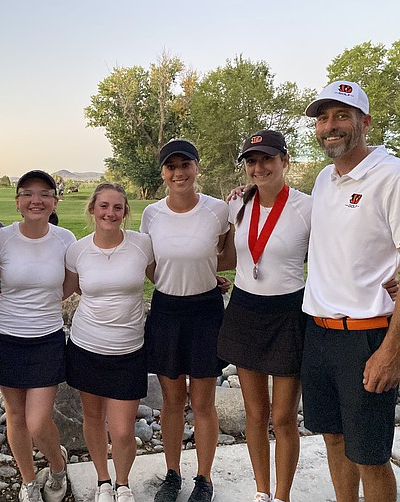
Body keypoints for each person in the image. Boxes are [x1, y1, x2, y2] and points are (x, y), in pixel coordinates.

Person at [301, 81, 400, 502]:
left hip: (368, 337)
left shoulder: (397, 176)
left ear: (365, 122)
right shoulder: (324, 179)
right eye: (323, 118)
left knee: (371, 457)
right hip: (319, 334)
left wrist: (392, 349)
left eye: (342, 115)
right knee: (334, 441)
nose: (330, 126)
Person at [217, 130, 310, 502]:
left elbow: (333, 258)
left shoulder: (307, 207)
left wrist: (383, 283)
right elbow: (224, 254)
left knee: (284, 417)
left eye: (267, 159)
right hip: (245, 310)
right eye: (252, 161)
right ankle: (261, 492)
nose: (259, 167)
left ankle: (283, 495)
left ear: (284, 161)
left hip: (288, 313)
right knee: (255, 414)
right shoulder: (237, 205)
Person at [140, 139, 232, 502]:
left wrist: (207, 276)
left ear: (196, 168)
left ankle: (204, 479)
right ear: (163, 172)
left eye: (185, 165)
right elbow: (149, 263)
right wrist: (171, 280)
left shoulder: (218, 210)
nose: (178, 173)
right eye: (170, 167)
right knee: (172, 400)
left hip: (206, 312)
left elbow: (224, 253)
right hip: (166, 311)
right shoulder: (152, 213)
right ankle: (173, 473)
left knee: (204, 402)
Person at [0, 170, 75, 502]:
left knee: (38, 421)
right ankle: (27, 480)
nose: (36, 200)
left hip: (47, 337)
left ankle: (57, 465)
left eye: (44, 194)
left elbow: (70, 285)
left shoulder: (65, 239)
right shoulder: (2, 239)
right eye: (27, 193)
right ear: (18, 201)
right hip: (7, 337)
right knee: (15, 415)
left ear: (54, 201)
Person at [64, 183, 154, 502]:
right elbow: (68, 288)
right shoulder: (78, 249)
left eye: (117, 208)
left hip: (129, 351)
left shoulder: (142, 245)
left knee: (122, 429)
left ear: (125, 212)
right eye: (104, 206)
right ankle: (103, 481)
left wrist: (209, 281)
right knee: (92, 417)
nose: (110, 213)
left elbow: (166, 277)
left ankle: (123, 483)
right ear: (92, 209)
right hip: (86, 347)